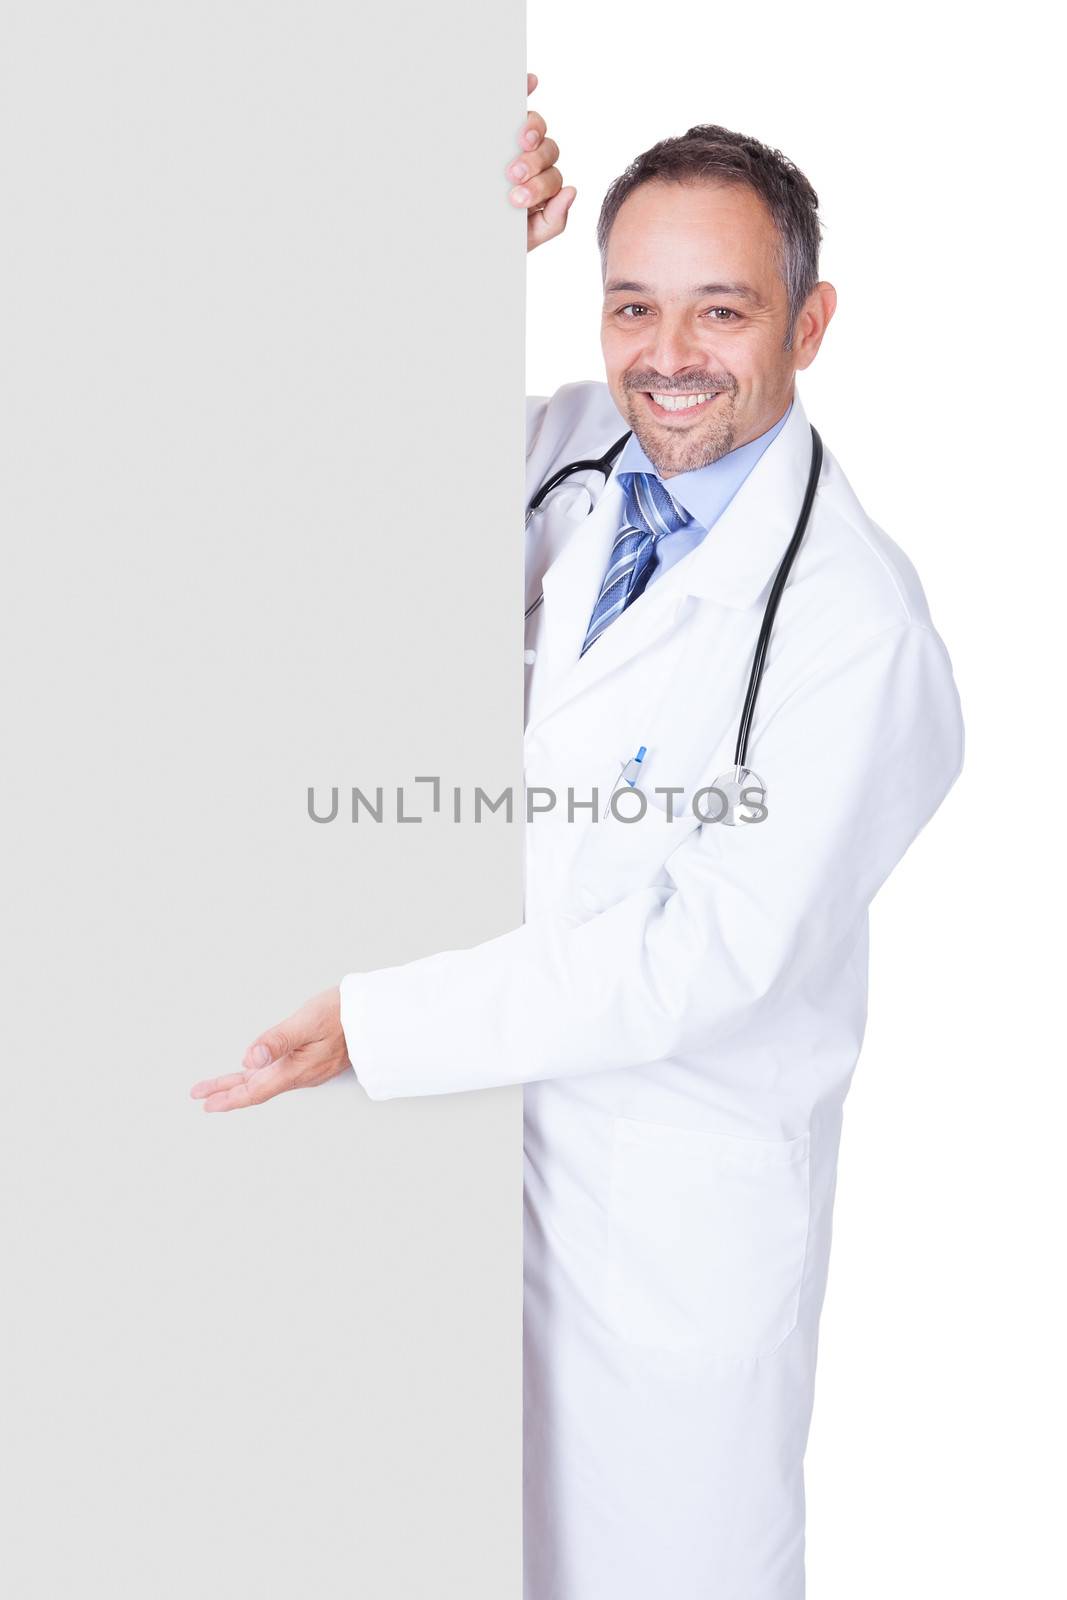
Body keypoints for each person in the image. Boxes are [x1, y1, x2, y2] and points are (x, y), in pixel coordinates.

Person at [190, 73, 965, 1600]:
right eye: (630, 309)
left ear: (810, 328)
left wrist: (370, 1019)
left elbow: (698, 959)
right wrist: (447, 236)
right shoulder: (573, 459)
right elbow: (322, 461)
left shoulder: (853, 632)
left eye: (722, 315)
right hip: (481, 1185)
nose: (666, 360)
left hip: (668, 1234)